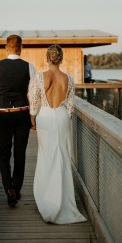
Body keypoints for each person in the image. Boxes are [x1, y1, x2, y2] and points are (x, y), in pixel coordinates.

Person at [28, 45, 87, 224]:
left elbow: (34, 101)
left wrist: (33, 118)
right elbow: (70, 106)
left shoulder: (39, 77)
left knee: (47, 157)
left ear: (47, 58)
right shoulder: (68, 79)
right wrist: (63, 118)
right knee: (62, 155)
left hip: (44, 116)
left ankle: (47, 199)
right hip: (61, 117)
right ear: (61, 58)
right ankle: (63, 201)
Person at [0, 34, 36, 207]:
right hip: (22, 113)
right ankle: (17, 188)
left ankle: (8, 188)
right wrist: (33, 116)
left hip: (3, 114)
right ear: (21, 48)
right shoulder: (29, 67)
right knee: (20, 153)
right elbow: (34, 95)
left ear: (6, 48)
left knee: (3, 153)